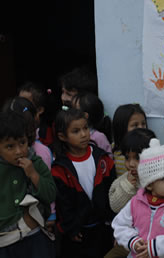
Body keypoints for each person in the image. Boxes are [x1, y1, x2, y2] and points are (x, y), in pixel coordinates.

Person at [112, 138, 164, 257]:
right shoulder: (136, 202)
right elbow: (119, 225)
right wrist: (133, 241)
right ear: (150, 184)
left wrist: (155, 247)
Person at [51, 108, 116, 258]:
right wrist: (71, 228)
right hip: (79, 232)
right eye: (76, 131)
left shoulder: (102, 159)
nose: (83, 134)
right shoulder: (60, 168)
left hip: (103, 227)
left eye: (85, 128)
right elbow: (63, 203)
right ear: (62, 136)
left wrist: (113, 222)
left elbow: (111, 191)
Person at [0, 111, 56, 257]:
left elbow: (50, 194)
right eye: (10, 147)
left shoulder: (35, 162)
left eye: (22, 143)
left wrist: (33, 174)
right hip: (4, 242)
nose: (19, 151)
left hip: (34, 236)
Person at [105, 128, 156, 258]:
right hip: (129, 240)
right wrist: (128, 186)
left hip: (154, 242)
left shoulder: (159, 183)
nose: (131, 164)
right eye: (127, 158)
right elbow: (115, 206)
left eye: (137, 158)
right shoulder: (123, 181)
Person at [18, 81, 58, 146]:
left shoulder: (45, 133)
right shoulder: (13, 125)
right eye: (19, 101)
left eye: (26, 103)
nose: (20, 105)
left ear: (39, 110)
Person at [112, 104, 147, 177]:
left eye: (143, 124)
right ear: (122, 127)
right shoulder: (112, 150)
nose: (141, 128)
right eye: (135, 125)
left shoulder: (148, 149)